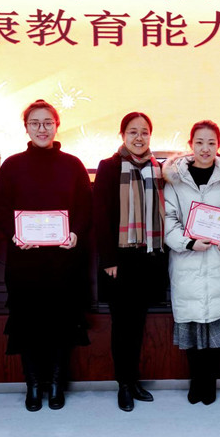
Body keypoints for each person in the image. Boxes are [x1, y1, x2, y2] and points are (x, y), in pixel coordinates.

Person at [0, 100, 92, 412]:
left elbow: (85, 207)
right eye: (35, 123)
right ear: (26, 128)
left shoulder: (73, 164)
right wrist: (15, 234)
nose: (42, 129)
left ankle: (57, 383)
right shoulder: (12, 165)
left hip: (64, 262)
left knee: (62, 323)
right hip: (25, 262)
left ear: (57, 126)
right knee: (28, 324)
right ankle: (34, 385)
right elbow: (0, 207)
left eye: (48, 122)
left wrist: (75, 232)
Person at [163, 120, 220, 405]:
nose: (205, 148)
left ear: (219, 146)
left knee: (216, 329)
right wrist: (188, 243)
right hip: (188, 261)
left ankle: (210, 383)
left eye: (211, 143)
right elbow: (168, 220)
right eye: (199, 142)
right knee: (193, 329)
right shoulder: (175, 180)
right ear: (190, 145)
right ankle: (195, 381)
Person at [93, 112, 166, 411]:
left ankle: (134, 380)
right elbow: (100, 215)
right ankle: (123, 384)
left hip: (147, 259)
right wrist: (109, 259)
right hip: (119, 260)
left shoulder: (158, 168)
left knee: (137, 325)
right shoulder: (109, 167)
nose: (139, 137)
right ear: (122, 135)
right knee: (121, 325)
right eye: (133, 132)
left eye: (144, 132)